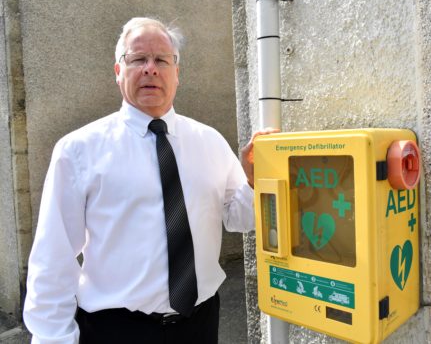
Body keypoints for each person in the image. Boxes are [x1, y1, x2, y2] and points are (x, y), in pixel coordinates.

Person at [23, 17, 275, 343]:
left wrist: (256, 184)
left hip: (199, 324)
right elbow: (52, 258)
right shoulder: (78, 151)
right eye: (138, 59)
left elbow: (240, 217)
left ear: (177, 74)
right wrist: (52, 337)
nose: (151, 69)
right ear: (118, 72)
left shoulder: (209, 141)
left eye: (162, 60)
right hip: (117, 330)